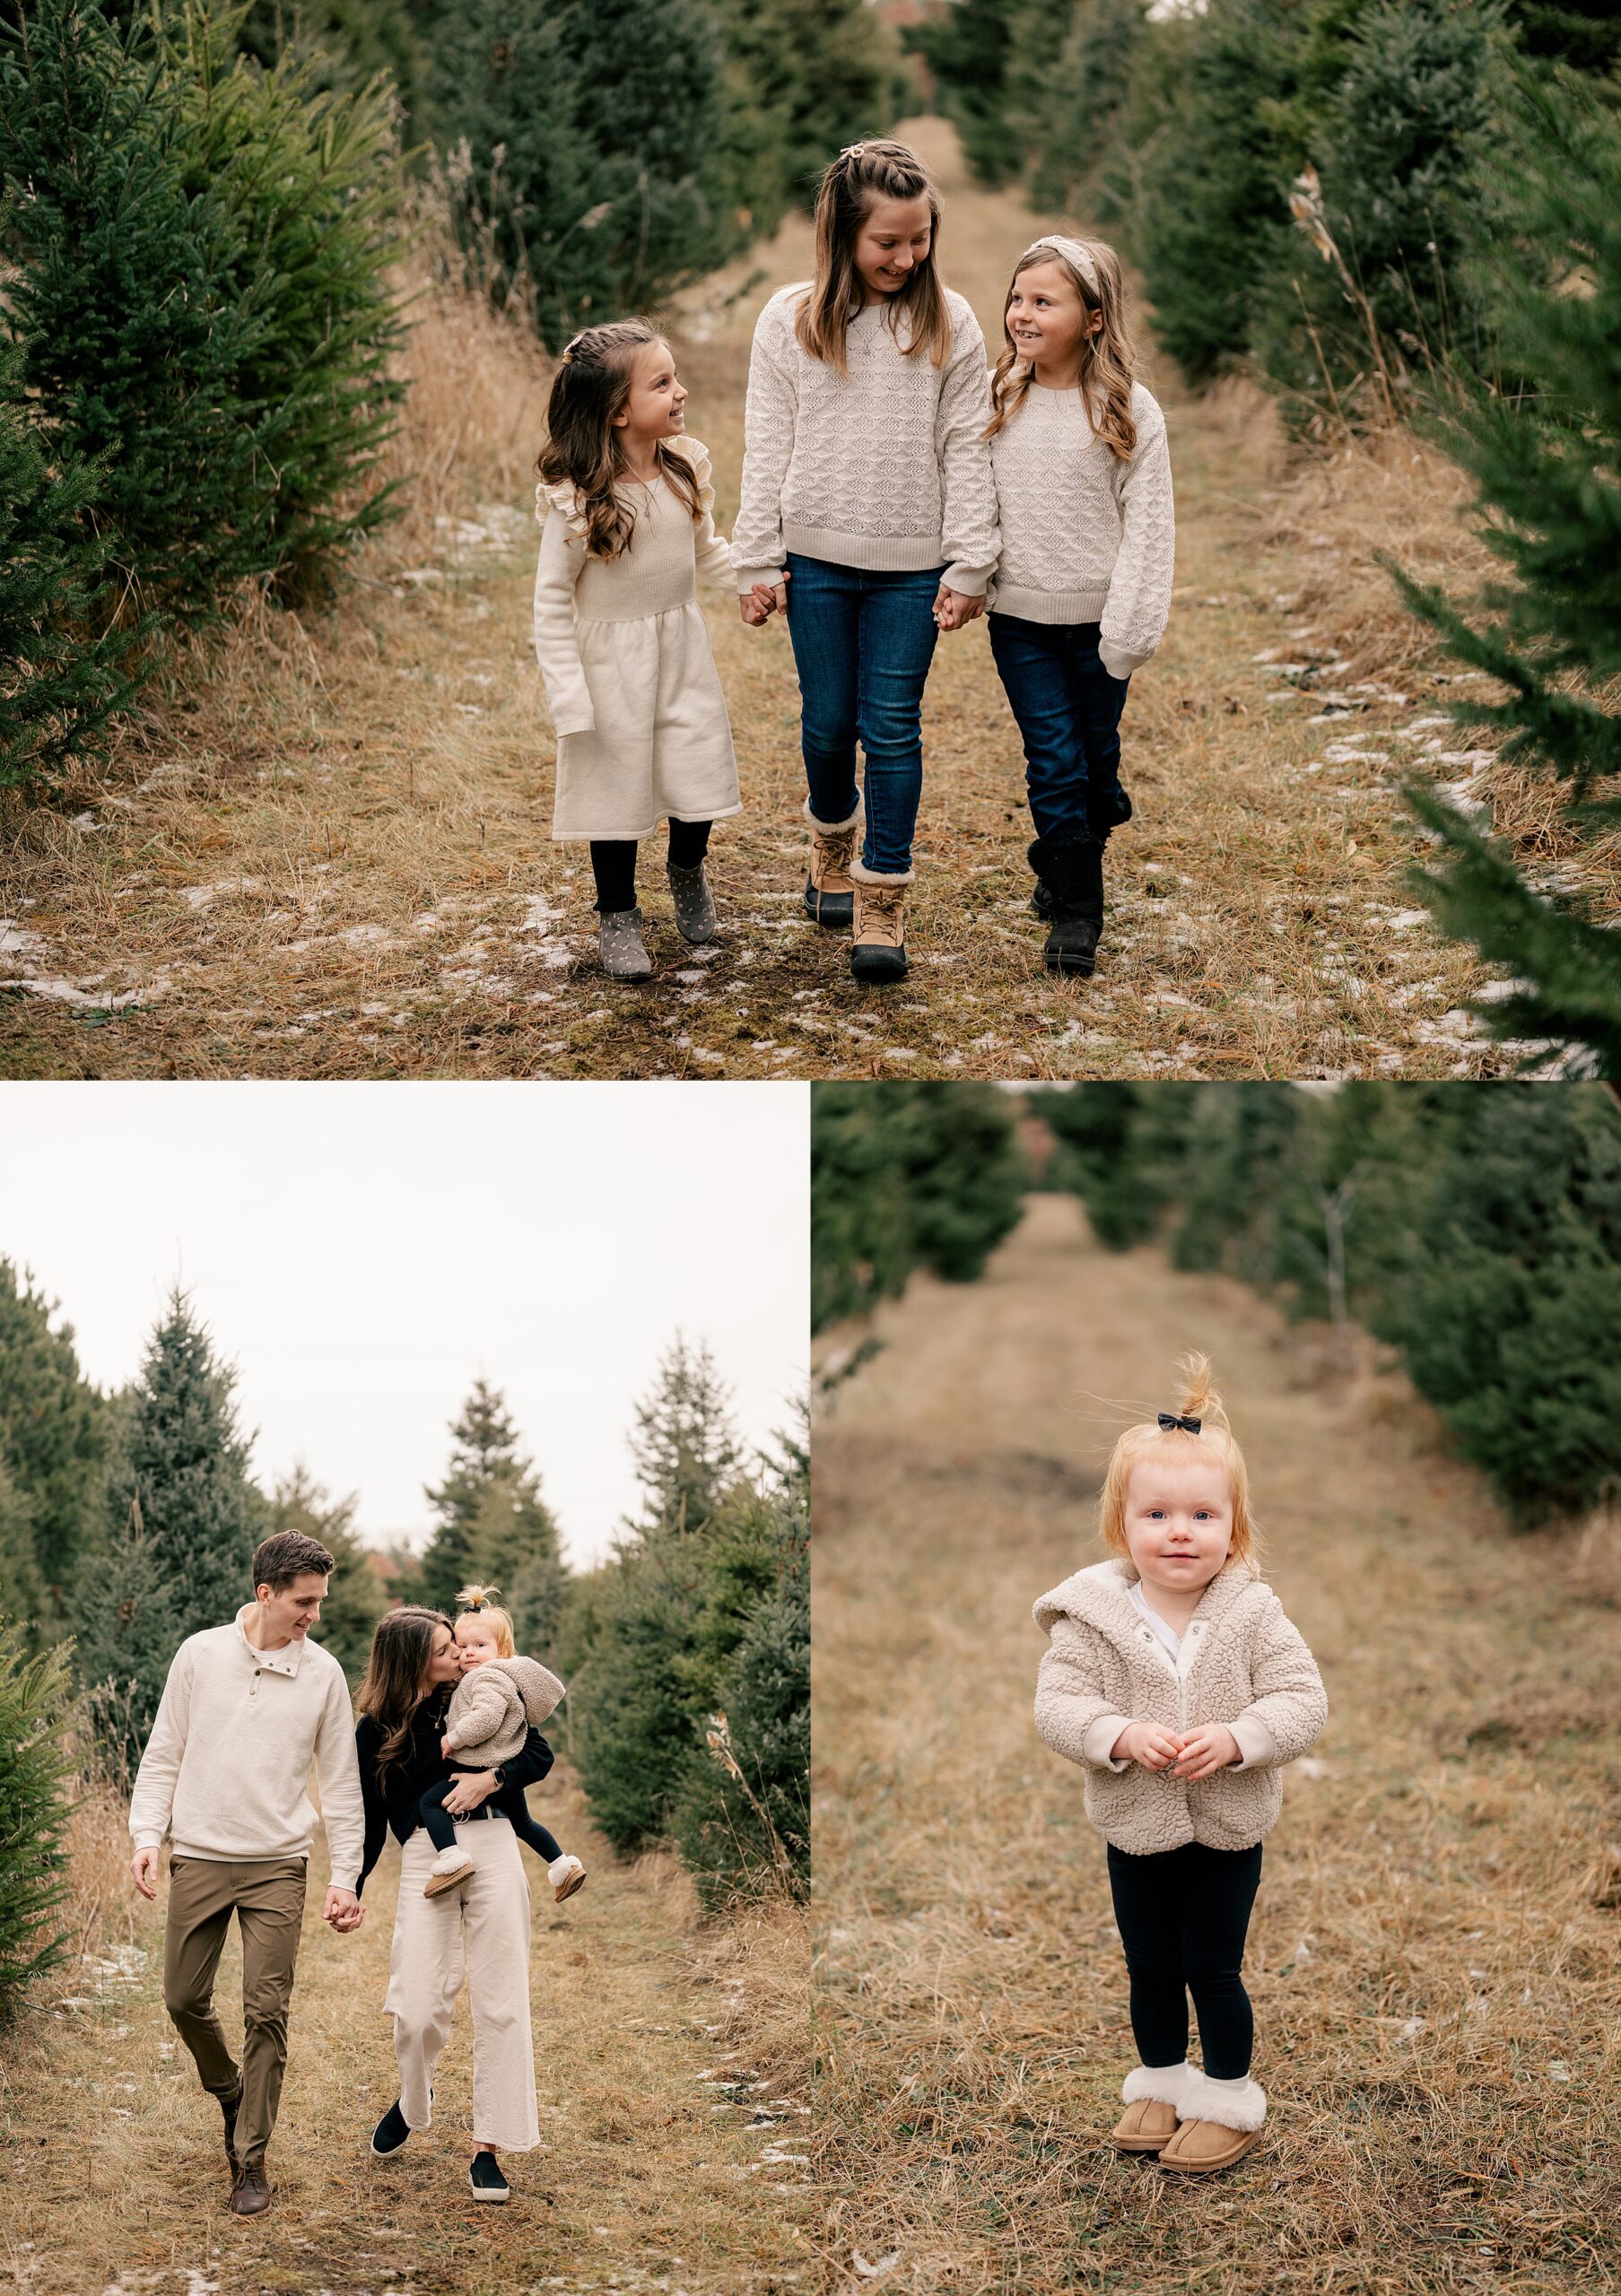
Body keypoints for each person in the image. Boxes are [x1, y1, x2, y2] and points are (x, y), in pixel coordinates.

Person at [1031, 1356, 1327, 2173]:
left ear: (1233, 1528)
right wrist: (1118, 1735)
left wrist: (1240, 1738)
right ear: (1120, 1526)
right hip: (1135, 1829)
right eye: (1156, 1513)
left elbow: (1303, 1699)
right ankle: (1160, 2082)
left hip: (1228, 1828)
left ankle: (1228, 2096)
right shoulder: (1091, 1620)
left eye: (1201, 1514)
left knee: (1213, 1967)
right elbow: (1056, 1706)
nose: (1178, 1531)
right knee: (1150, 1965)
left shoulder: (1251, 1612)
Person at [731, 137, 1000, 984]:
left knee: (890, 728)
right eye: (887, 241)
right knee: (827, 722)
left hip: (912, 566)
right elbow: (767, 442)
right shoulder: (791, 318)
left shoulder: (948, 320)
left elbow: (967, 447)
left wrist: (968, 564)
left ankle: (881, 895)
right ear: (842, 233)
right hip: (815, 558)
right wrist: (755, 560)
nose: (905, 255)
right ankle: (829, 844)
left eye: (918, 238)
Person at [127, 1530, 367, 2218]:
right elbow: (164, 1752)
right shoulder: (199, 1654)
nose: (314, 1615)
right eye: (304, 1601)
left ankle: (250, 2157)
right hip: (199, 1854)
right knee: (180, 1999)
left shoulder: (322, 1674)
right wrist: (149, 1835)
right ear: (265, 1593)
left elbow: (341, 1785)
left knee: (267, 2011)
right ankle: (228, 2088)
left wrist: (344, 1876)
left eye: (320, 1601)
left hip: (277, 1866)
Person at [984, 234, 1175, 976]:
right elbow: (976, 498)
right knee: (1054, 762)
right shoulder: (1001, 395)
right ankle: (1075, 912)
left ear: (1093, 319)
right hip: (1021, 622)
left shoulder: (1127, 409)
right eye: (1016, 299)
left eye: (1043, 302)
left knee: (1094, 764)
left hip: (1101, 625)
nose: (1021, 315)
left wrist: (1127, 633)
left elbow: (1148, 529)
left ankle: (1065, 848)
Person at [532, 319, 742, 981]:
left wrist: (759, 583)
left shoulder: (683, 470)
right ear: (619, 411)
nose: (680, 391)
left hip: (680, 652)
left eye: (675, 378)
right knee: (616, 797)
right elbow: (549, 603)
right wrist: (568, 694)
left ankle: (686, 872)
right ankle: (617, 913)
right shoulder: (580, 501)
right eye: (661, 383)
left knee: (697, 776)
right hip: (610, 669)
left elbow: (706, 551)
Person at [356, 1605, 554, 2203]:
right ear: (412, 1659)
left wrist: (490, 1781)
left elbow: (538, 1755)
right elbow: (370, 1819)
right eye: (445, 1649)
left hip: (494, 1843)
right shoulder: (373, 1726)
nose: (459, 1656)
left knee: (502, 2001)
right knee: (416, 2006)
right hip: (427, 1854)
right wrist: (352, 1884)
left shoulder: (474, 1694)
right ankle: (415, 2099)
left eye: (458, 1646)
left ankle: (487, 2147)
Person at [417, 1585, 585, 1904]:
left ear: (502, 1650)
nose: (468, 1652)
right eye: (462, 1645)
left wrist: (451, 1738)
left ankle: (451, 1860)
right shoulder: (493, 1678)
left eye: (479, 1645)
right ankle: (562, 1866)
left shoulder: (486, 1678)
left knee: (430, 1803)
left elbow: (486, 1718)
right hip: (500, 1767)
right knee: (524, 1822)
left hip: (479, 1765)